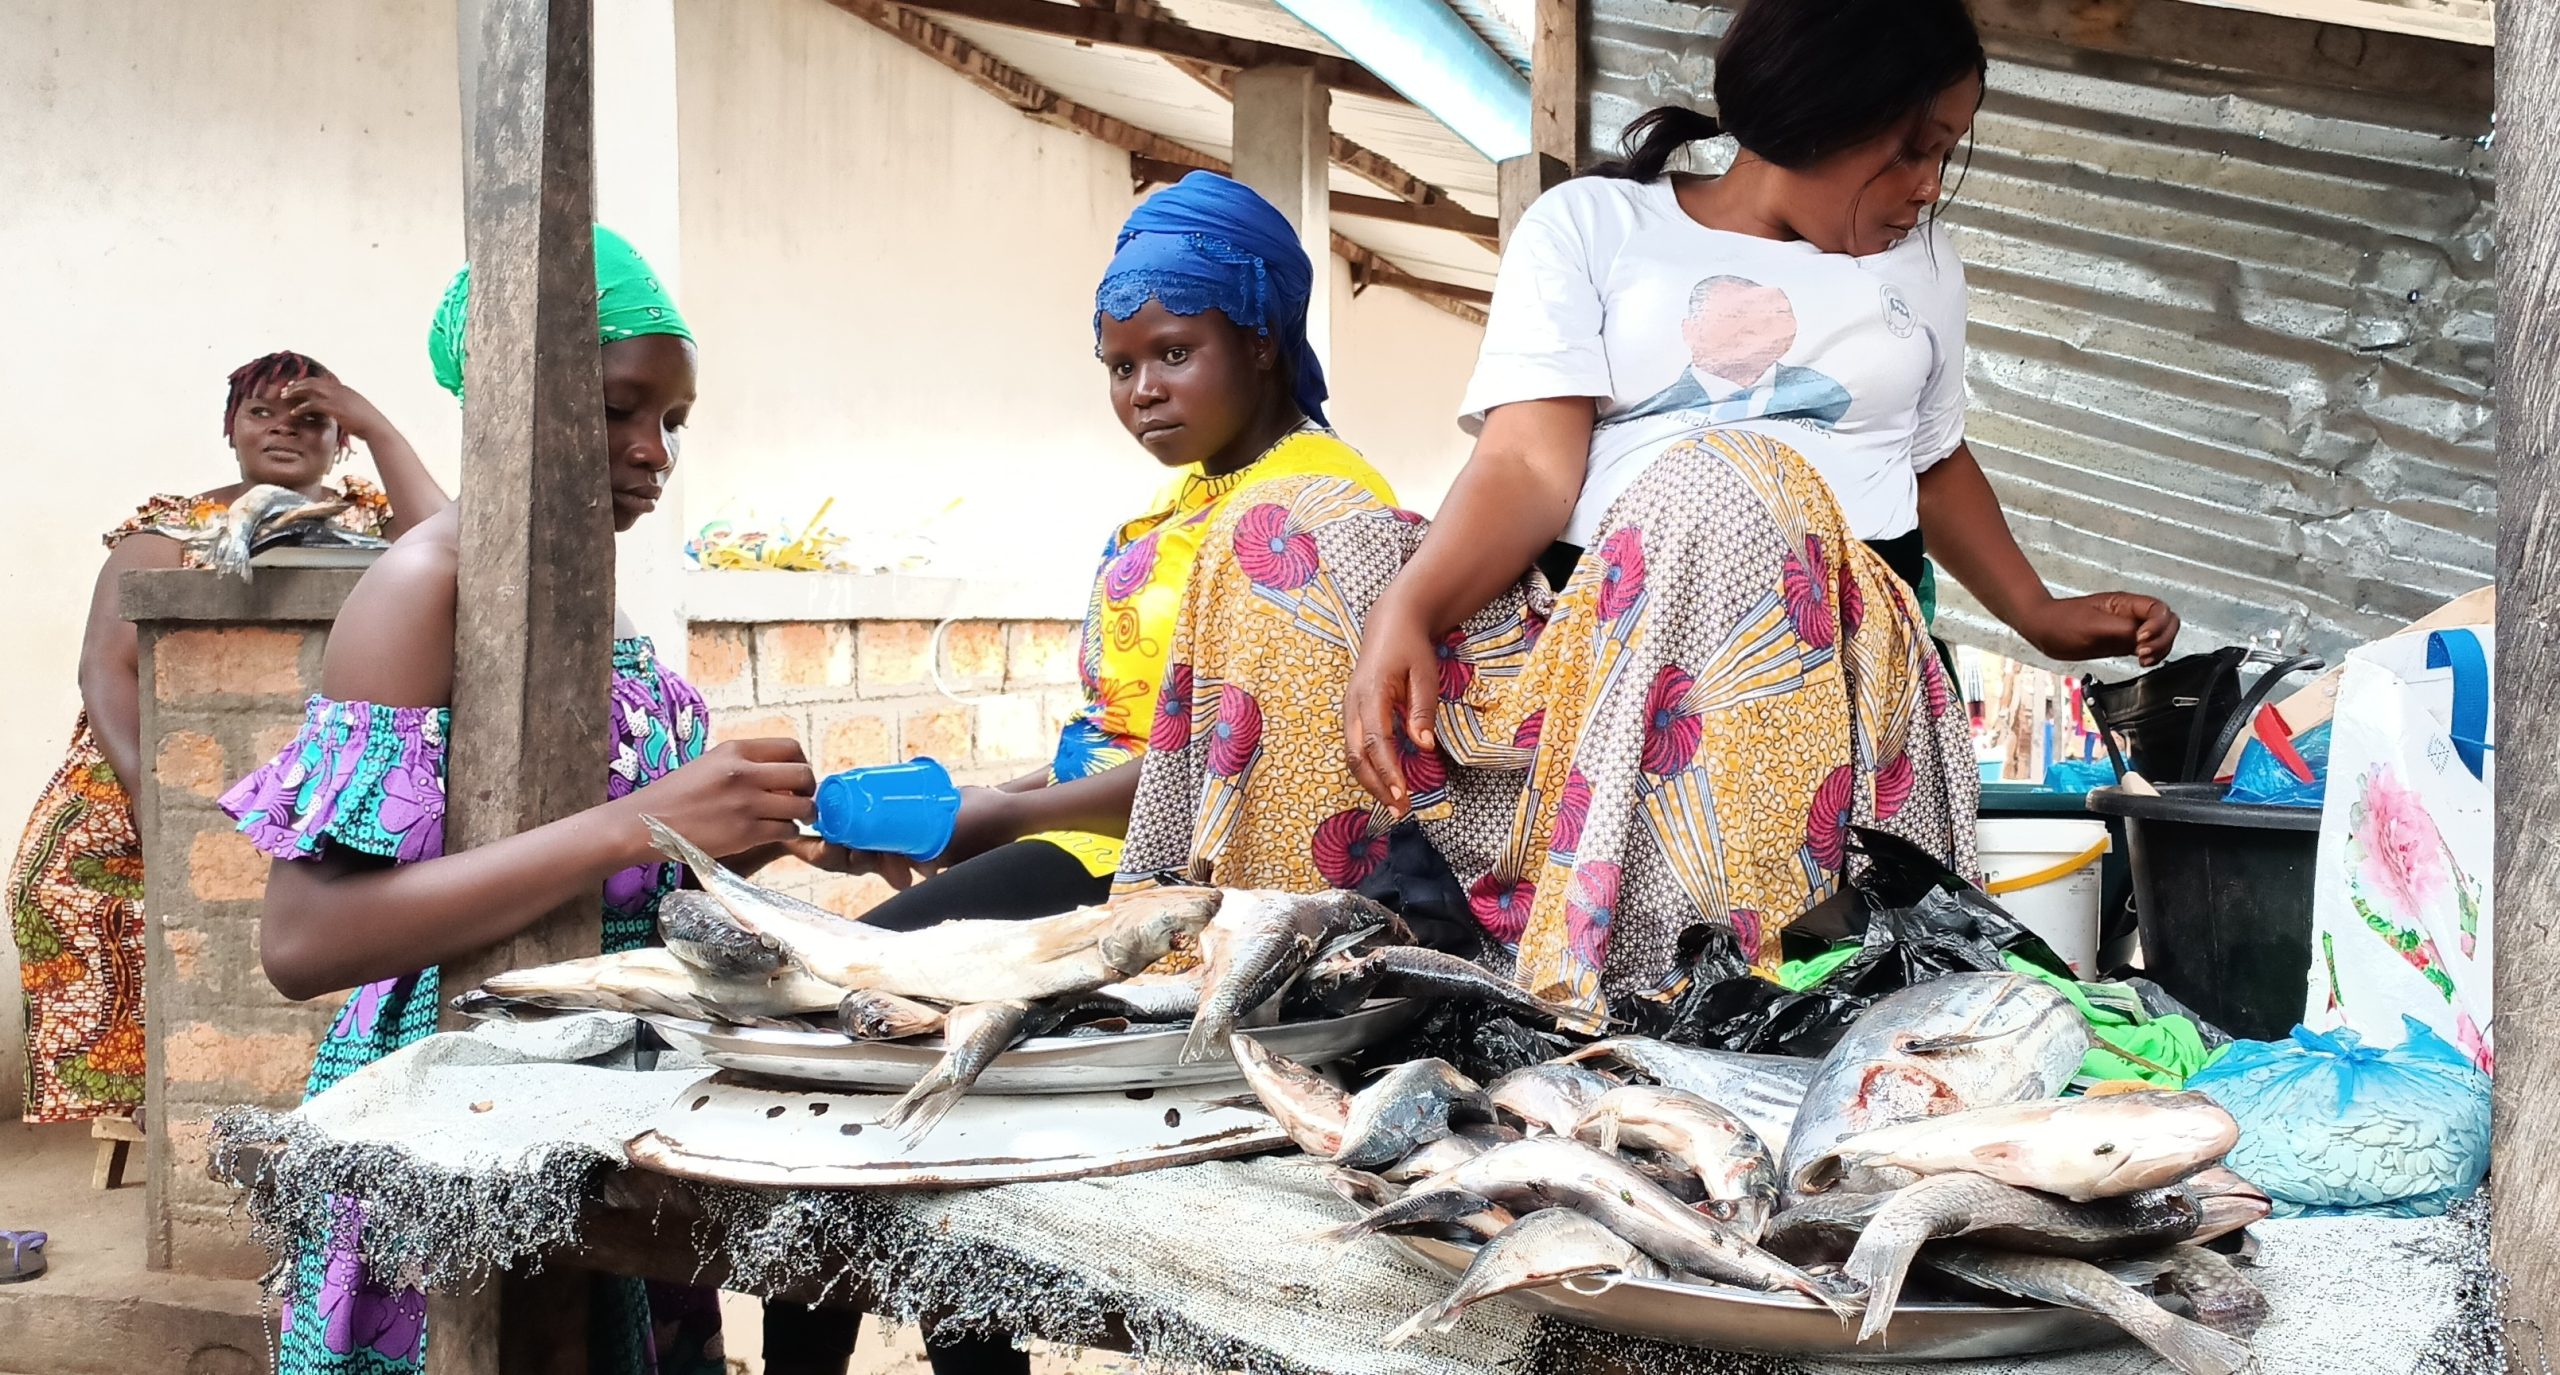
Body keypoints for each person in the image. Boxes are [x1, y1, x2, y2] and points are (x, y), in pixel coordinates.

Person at [1115, 0, 2177, 1022]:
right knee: (1291, 529)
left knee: (1722, 479)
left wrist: (2038, 615)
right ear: (1814, 113)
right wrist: (1406, 609)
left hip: (1811, 667)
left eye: (1948, 150)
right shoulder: (1595, 223)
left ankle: (1677, 987)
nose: (1928, 184)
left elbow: (1932, 460)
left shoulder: (1924, 268)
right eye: (1911, 147)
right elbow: (1530, 463)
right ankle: (1288, 972)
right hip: (1582, 648)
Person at [847, 172, 1396, 933]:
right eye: (1121, 366)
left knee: (844, 973)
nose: (1142, 391)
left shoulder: (1309, 509)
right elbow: (1117, 733)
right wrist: (974, 807)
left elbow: (1240, 758)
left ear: (1262, 340)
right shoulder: (1185, 500)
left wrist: (1007, 817)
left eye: (1174, 352)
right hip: (1092, 837)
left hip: (1184, 874)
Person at [9, 351, 446, 1125]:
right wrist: (146, 786)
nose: (284, 427)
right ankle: (150, 1094)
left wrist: (375, 421)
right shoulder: (170, 524)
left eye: (312, 415)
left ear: (338, 436)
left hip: (335, 760)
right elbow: (103, 668)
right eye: (262, 412)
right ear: (229, 428)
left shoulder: (375, 518)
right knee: (57, 880)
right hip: (140, 756)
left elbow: (460, 546)